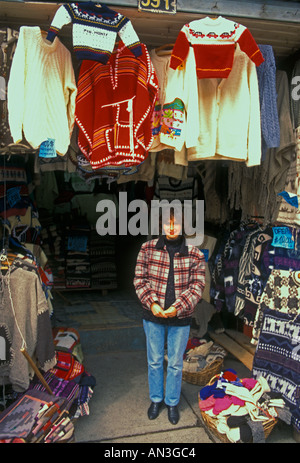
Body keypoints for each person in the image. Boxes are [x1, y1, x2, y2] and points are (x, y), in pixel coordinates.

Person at [133, 208, 205, 425]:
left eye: (176, 223)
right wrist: (152, 303)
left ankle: (172, 402)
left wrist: (178, 307)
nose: (171, 228)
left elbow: (198, 286)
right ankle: (156, 400)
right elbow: (139, 279)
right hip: (152, 315)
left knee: (175, 363)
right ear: (161, 226)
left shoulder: (195, 254)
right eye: (167, 223)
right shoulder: (147, 249)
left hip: (180, 318)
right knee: (154, 361)